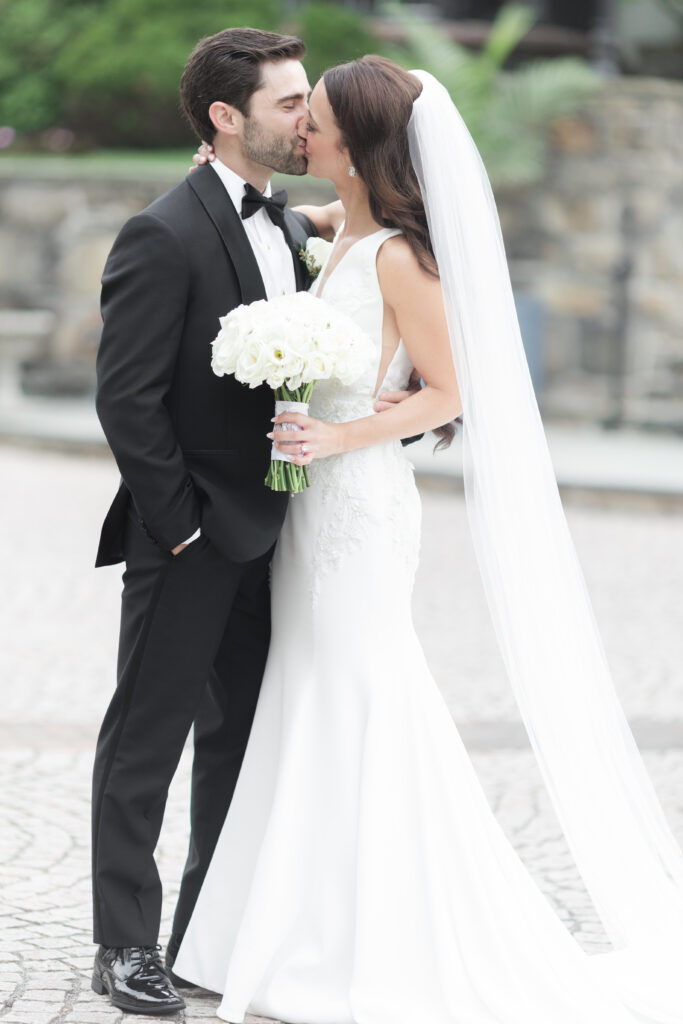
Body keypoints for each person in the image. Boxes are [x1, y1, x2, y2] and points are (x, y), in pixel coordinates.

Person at [173, 57, 683, 1023]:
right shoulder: (339, 236)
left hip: (359, 508)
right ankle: (285, 923)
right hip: (311, 508)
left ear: (360, 148)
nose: (302, 136)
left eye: (315, 122)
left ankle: (382, 934)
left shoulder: (401, 259)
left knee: (362, 696)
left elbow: (451, 394)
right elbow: (285, 220)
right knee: (307, 695)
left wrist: (337, 433)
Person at [90, 27, 380, 1016]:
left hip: (285, 539)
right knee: (147, 739)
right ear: (226, 115)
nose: (307, 116)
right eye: (289, 101)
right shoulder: (160, 233)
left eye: (307, 101)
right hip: (190, 537)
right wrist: (179, 528)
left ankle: (205, 933)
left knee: (243, 743)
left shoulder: (299, 231)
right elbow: (127, 400)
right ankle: (124, 944)